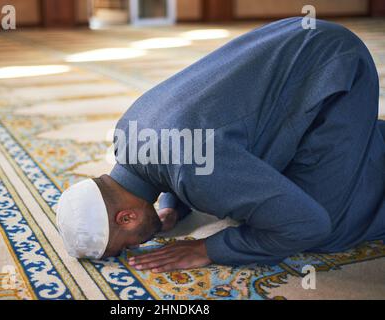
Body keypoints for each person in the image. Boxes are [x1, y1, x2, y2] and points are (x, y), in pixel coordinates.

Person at [56, 17, 385, 272]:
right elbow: (173, 152)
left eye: (125, 246)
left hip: (338, 73)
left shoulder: (197, 170)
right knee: (275, 202)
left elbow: (307, 225)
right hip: (304, 43)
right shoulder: (126, 134)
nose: (134, 247)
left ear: (126, 218)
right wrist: (171, 206)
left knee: (319, 228)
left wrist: (207, 249)